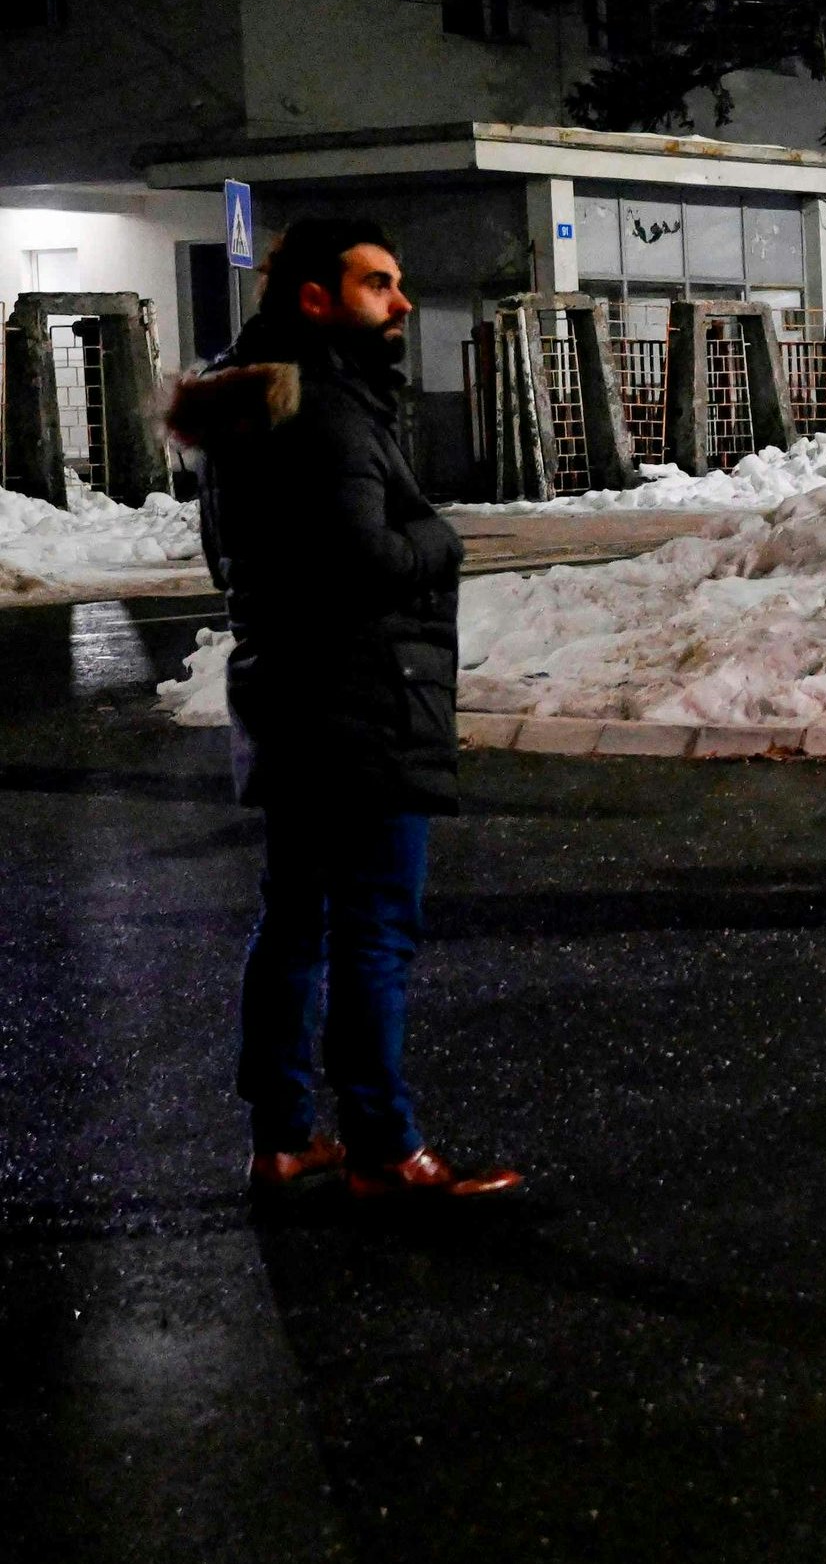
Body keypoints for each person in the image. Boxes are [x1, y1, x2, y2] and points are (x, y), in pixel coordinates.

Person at [166, 216, 522, 1202]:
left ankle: (283, 1136)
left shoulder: (254, 405)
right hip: (360, 707)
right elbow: (364, 559)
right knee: (372, 928)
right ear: (317, 299)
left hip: (289, 697)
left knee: (295, 925)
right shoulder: (325, 411)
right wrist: (440, 544)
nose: (401, 301)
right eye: (379, 285)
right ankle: (384, 1145)